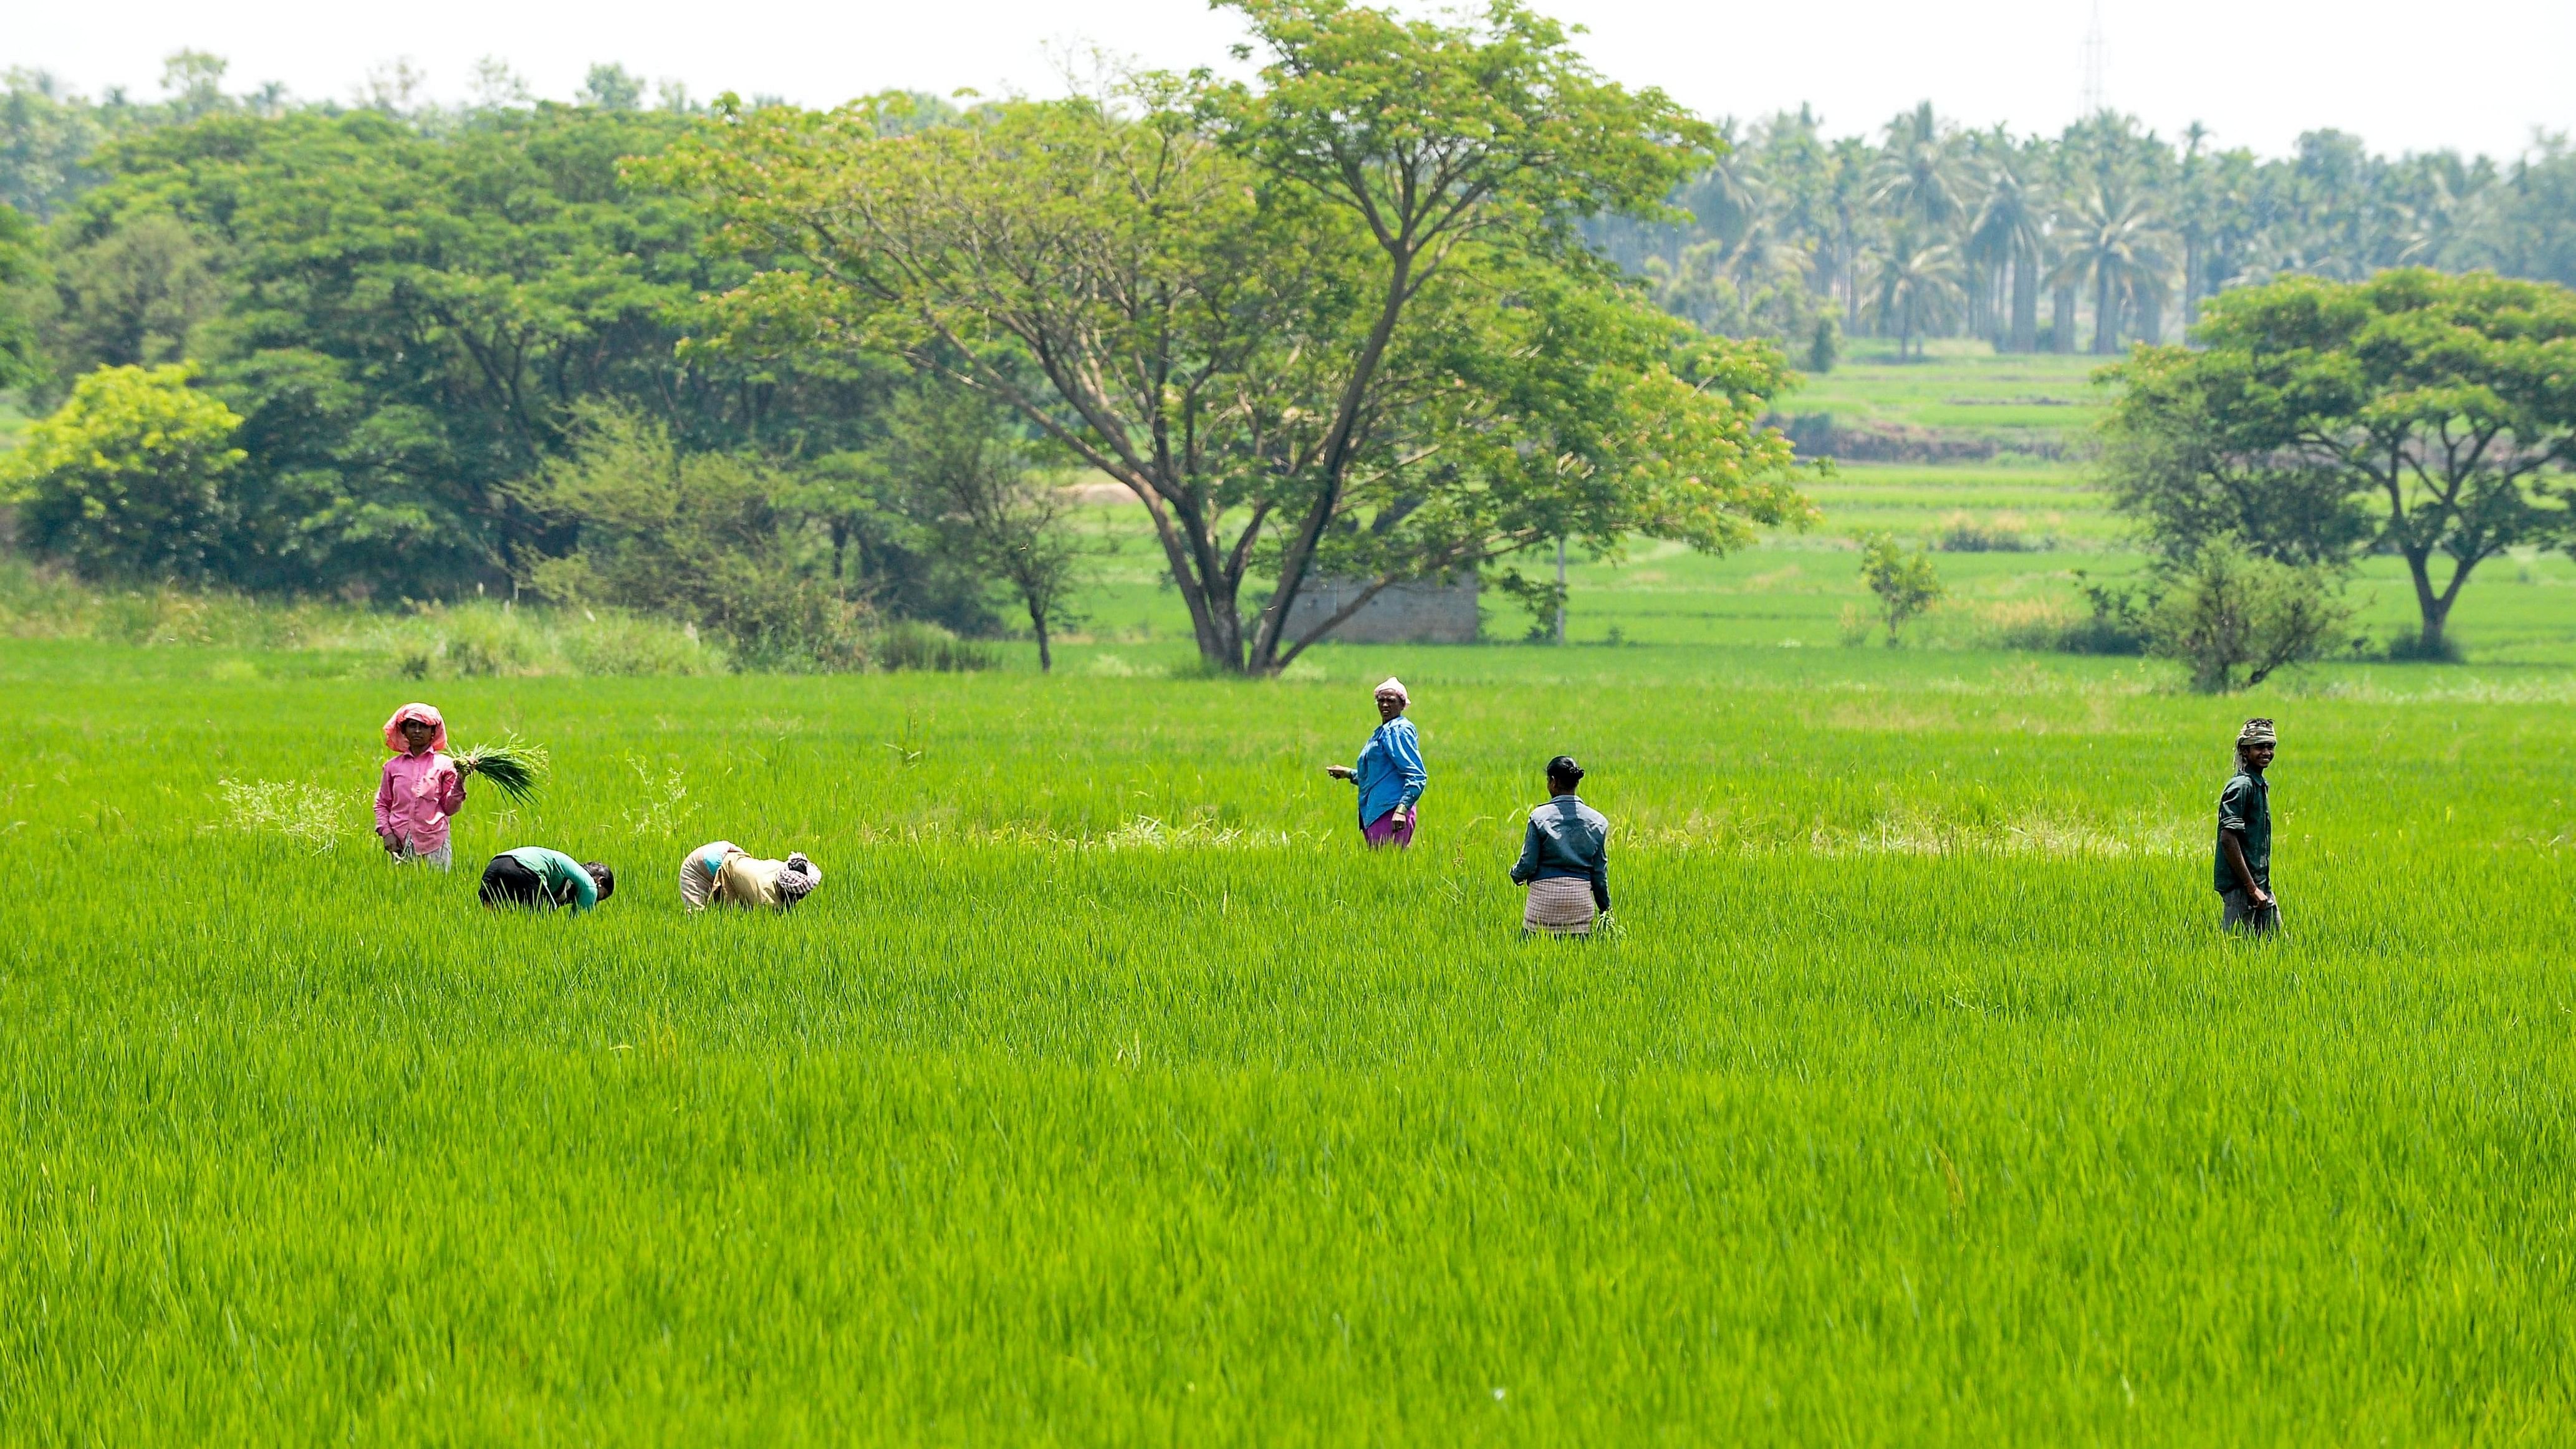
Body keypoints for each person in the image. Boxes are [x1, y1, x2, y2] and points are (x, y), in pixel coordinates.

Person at [1511, 755, 1612, 936]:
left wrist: (1516, 875)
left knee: (1531, 955)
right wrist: (1606, 910)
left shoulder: (1538, 817)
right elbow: (1599, 873)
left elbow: (1528, 863)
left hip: (1543, 905)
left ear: (1553, 782)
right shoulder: (1598, 821)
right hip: (1580, 905)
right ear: (1576, 783)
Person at [1324, 677, 1426, 848]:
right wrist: (1349, 773)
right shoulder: (1383, 731)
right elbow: (1379, 776)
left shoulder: (1399, 731)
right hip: (1377, 811)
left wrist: (1401, 810)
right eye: (1381, 700)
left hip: (1391, 812)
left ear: (1402, 705)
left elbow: (1417, 775)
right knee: (1382, 865)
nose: (1385, 705)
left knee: (1390, 865)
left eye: (1391, 701)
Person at [375, 702, 466, 871]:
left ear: (433, 732)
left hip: (434, 843)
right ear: (404, 730)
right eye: (412, 726)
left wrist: (460, 779)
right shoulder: (392, 767)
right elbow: (382, 804)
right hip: (398, 843)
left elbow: (450, 808)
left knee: (433, 891)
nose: (417, 731)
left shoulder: (445, 765)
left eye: (424, 726)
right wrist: (387, 833)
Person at [2216, 718, 2279, 936]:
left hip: (2260, 885)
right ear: (2244, 750)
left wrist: (2259, 888)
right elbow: (2228, 838)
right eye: (2260, 747)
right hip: (2242, 888)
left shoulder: (2257, 785)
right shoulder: (2242, 786)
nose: (2266, 752)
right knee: (2237, 948)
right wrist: (2251, 889)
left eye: (2270, 746)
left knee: (2276, 946)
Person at [680, 841, 822, 912]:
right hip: (698, 867)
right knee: (698, 919)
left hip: (726, 852)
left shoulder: (782, 868)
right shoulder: (766, 899)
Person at [480, 847, 614, 913]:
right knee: (541, 923)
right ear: (599, 881)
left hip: (494, 867)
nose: (595, 902)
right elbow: (577, 925)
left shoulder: (565, 874)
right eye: (600, 896)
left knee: (498, 923)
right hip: (523, 870)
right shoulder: (588, 882)